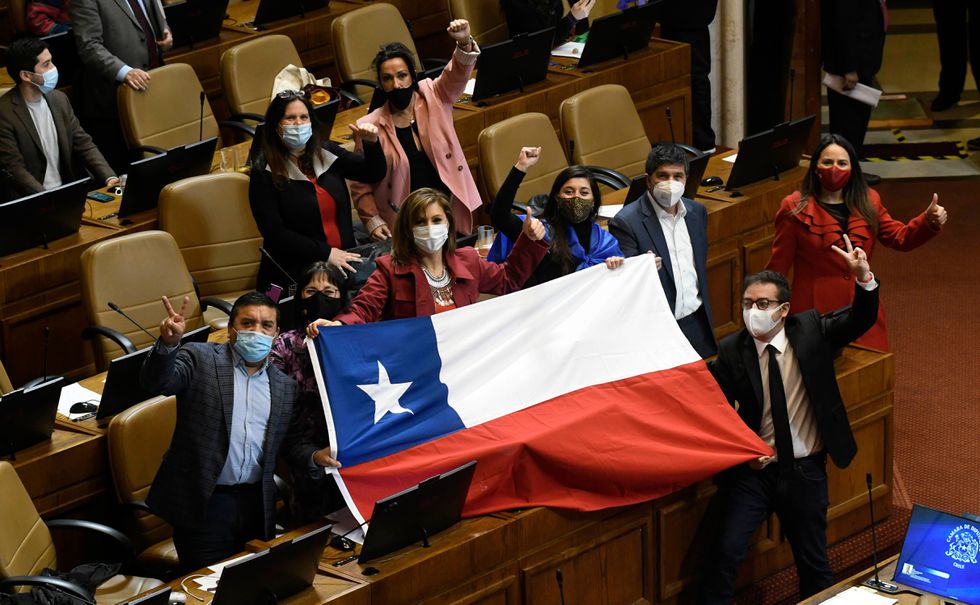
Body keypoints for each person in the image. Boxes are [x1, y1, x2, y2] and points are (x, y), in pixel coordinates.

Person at [699, 238, 879, 603]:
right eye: (748, 304)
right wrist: (743, 450)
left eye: (763, 304)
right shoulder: (734, 348)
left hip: (805, 470)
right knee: (724, 555)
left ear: (783, 310)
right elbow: (713, 406)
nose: (753, 312)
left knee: (814, 564)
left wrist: (864, 279)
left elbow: (860, 318)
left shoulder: (812, 330)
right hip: (754, 474)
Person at [140, 292, 339, 570]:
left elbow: (291, 442)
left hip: (256, 504)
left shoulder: (284, 386)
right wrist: (169, 343)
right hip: (207, 503)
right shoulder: (200, 359)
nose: (256, 331)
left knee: (253, 586)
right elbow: (157, 382)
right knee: (207, 591)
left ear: (275, 333)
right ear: (231, 329)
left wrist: (315, 456)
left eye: (266, 325)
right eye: (248, 323)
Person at [766, 134, 946, 351]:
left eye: (842, 163)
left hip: (862, 308)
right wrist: (766, 312)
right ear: (815, 167)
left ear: (852, 169)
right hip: (814, 314)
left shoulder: (869, 200)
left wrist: (927, 220)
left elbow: (900, 238)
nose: (835, 169)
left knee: (869, 376)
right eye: (827, 162)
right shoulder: (794, 208)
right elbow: (778, 267)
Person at [314, 188, 548, 327]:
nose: (429, 227)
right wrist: (338, 325)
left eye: (436, 220)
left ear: (448, 223)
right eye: (420, 222)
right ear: (408, 229)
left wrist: (528, 239)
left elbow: (509, 280)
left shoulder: (468, 261)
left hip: (467, 362)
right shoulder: (389, 271)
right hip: (419, 369)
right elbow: (364, 310)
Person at [349, 19, 482, 239]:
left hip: (448, 213)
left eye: (402, 75)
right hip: (405, 223)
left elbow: (456, 74)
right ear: (381, 84)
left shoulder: (435, 95)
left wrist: (464, 43)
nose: (396, 85)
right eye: (387, 79)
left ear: (412, 75)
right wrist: (371, 219)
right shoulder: (370, 126)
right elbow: (360, 184)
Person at [249, 90, 386, 293]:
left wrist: (371, 144)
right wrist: (326, 253)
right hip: (296, 273)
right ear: (276, 125)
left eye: (303, 117)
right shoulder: (264, 172)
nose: (298, 123)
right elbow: (275, 233)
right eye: (290, 118)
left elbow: (373, 172)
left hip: (343, 264)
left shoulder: (325, 152)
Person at [609, 144, 716, 358]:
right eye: (663, 176)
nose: (671, 183)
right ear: (648, 180)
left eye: (678, 176)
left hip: (697, 322)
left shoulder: (696, 212)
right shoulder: (626, 222)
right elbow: (629, 280)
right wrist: (641, 267)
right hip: (660, 328)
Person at [270, 262, 348, 522]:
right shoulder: (283, 346)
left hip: (354, 452)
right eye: (311, 291)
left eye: (329, 292)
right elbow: (279, 410)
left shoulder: (355, 337)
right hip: (307, 458)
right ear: (299, 298)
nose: (319, 299)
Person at [0, 37, 118, 201]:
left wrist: (109, 178)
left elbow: (83, 143)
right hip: (32, 200)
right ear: (26, 75)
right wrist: (49, 199)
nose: (53, 68)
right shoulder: (4, 113)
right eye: (46, 64)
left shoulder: (59, 99)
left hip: (71, 190)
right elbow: (14, 168)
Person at [488, 146, 624, 287]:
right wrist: (521, 167)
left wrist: (615, 265)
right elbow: (499, 215)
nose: (576, 197)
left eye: (584, 193)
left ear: (593, 201)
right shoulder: (540, 232)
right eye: (569, 192)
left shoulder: (605, 242)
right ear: (557, 198)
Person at [70, 0, 172, 172]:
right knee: (127, 175)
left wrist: (165, 31)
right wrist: (124, 72)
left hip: (154, 87)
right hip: (114, 98)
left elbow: (151, 18)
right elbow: (89, 46)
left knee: (162, 164)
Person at [821, 0, 886, 184]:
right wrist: (849, 67)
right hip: (851, 67)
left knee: (856, 123)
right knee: (848, 124)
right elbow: (843, 24)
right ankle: (844, 175)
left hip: (860, 63)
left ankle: (849, 171)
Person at [657, 0, 718, 152]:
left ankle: (702, 143)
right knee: (678, 81)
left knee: (696, 78)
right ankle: (685, 142)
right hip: (672, 17)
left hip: (689, 17)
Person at [501, 0, 594, 44]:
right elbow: (541, 42)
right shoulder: (516, 3)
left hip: (556, 48)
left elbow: (582, 26)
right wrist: (572, 18)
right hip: (529, 56)